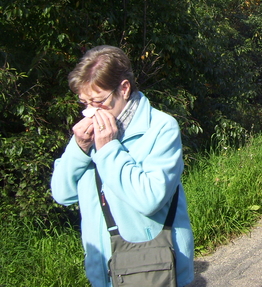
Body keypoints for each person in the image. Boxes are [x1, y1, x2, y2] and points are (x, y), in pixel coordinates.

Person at [51, 46, 195, 287]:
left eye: (98, 101)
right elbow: (62, 194)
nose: (91, 111)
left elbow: (150, 199)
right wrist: (78, 148)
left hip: (153, 265)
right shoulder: (90, 132)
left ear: (124, 88)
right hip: (105, 269)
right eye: (84, 103)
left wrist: (108, 149)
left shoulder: (161, 128)